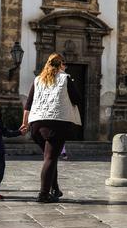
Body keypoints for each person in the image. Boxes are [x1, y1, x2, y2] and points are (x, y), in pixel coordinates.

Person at [20, 53, 81, 203]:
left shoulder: (38, 80)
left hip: (36, 125)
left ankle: (55, 189)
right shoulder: (65, 78)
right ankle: (43, 194)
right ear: (60, 65)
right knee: (50, 158)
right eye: (64, 64)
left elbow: (28, 105)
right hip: (56, 123)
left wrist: (24, 123)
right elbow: (77, 99)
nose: (65, 67)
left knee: (49, 158)